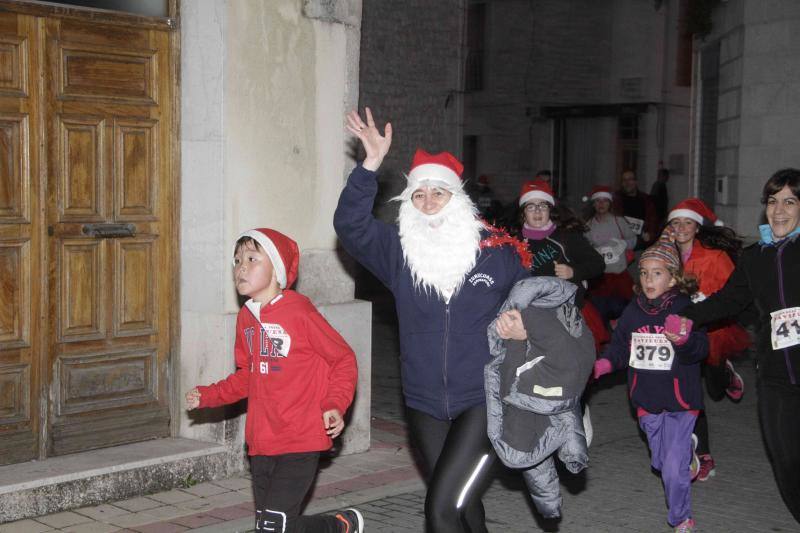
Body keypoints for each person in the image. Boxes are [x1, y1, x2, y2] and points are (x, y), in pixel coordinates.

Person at [334, 108, 530, 532]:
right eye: (418, 195)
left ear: (456, 199)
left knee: (440, 509)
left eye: (437, 194)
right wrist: (369, 166)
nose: (427, 203)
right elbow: (349, 226)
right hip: (423, 402)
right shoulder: (399, 252)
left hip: (483, 398)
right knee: (464, 504)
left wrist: (526, 328)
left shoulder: (497, 254)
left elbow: (542, 309)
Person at [185, 228, 362, 533]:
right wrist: (208, 395)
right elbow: (247, 378)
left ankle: (337, 527)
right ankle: (339, 526)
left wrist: (335, 404)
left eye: (253, 258)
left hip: (301, 436)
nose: (241, 266)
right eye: (237, 260)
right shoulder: (246, 319)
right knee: (273, 527)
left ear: (277, 269)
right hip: (262, 441)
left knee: (274, 526)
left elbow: (343, 359)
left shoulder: (299, 313)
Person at [671, 168, 800, 523]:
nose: (779, 210)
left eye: (790, 201)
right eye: (773, 202)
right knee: (786, 460)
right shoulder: (756, 256)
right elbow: (727, 301)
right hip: (776, 374)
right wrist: (686, 317)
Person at [593, 227, 708, 533]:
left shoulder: (685, 308)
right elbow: (620, 345)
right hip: (645, 400)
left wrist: (683, 339)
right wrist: (606, 362)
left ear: (672, 278)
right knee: (661, 462)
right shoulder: (634, 312)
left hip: (681, 401)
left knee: (672, 468)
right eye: (643, 273)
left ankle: (681, 518)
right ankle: (687, 458)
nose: (648, 280)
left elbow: (701, 349)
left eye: (656, 273)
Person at [487, 277, 595, 519]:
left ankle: (572, 454)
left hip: (552, 391)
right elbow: (507, 367)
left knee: (557, 429)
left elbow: (573, 355)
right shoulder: (522, 316)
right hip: (525, 393)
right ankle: (550, 503)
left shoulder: (554, 316)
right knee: (524, 452)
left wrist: (525, 325)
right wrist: (515, 337)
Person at [667, 198, 751, 481]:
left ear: (697, 227)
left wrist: (705, 303)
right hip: (681, 332)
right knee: (691, 392)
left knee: (714, 386)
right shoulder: (665, 254)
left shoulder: (715, 257)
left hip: (713, 330)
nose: (680, 228)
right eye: (675, 222)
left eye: (687, 222)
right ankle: (703, 455)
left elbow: (735, 295)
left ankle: (725, 376)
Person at [516, 179, 607, 351]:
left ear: (550, 210)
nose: (537, 211)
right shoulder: (516, 243)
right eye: (531, 206)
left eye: (542, 205)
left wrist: (574, 271)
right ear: (523, 213)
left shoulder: (567, 237)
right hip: (532, 317)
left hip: (567, 315)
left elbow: (598, 263)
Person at [584, 184, 638, 326]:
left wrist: (624, 244)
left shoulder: (619, 221)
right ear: (593, 204)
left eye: (605, 201)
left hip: (620, 278)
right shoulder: (588, 225)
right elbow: (583, 248)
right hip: (599, 279)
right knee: (599, 317)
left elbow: (633, 241)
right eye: (598, 201)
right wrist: (592, 251)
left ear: (610, 203)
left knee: (625, 316)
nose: (601, 204)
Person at [614, 169, 659, 249]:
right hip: (620, 245)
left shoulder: (646, 200)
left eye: (630, 179)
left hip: (640, 245)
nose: (627, 183)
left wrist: (650, 235)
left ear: (635, 182)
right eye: (624, 180)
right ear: (621, 183)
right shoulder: (615, 199)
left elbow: (653, 221)